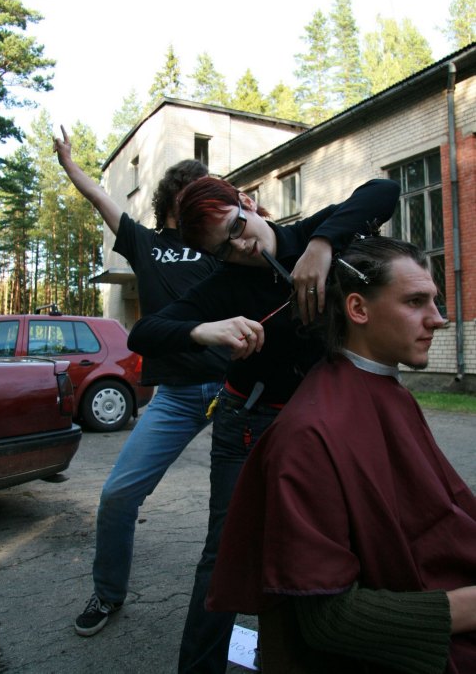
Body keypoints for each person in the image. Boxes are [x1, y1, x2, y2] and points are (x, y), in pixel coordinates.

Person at [127, 176, 400, 673]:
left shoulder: (316, 233)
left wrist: (320, 246)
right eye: (223, 249)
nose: (240, 247)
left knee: (346, 539)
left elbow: (383, 189)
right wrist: (205, 329)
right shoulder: (226, 284)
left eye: (237, 228)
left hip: (326, 422)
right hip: (249, 423)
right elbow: (144, 333)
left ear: (247, 203)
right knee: (224, 552)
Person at [207, 236, 476, 674]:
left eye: (434, 301)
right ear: (358, 309)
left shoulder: (388, 391)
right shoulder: (308, 436)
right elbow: (331, 621)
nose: (438, 319)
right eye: (415, 302)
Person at [52, 127, 228, 637]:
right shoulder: (145, 244)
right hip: (175, 396)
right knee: (118, 496)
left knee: (249, 503)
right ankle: (108, 593)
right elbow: (101, 198)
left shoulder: (222, 247)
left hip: (233, 391)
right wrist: (70, 165)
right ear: (174, 197)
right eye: (193, 189)